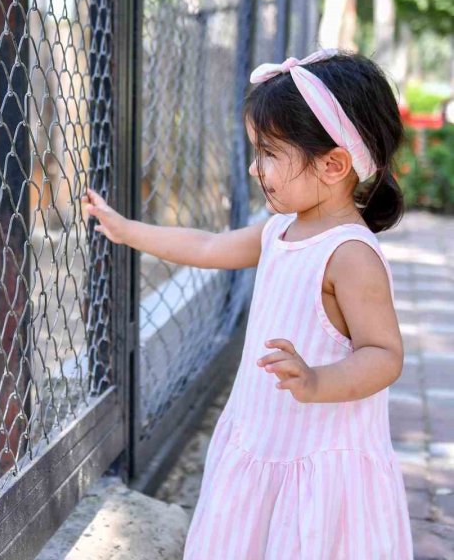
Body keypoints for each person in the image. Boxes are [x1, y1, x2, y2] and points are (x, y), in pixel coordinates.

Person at [82, 49, 412, 558]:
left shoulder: (349, 255)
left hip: (316, 462)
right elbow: (209, 247)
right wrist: (127, 231)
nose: (256, 169)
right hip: (260, 437)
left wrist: (319, 379)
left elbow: (384, 354)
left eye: (270, 153)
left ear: (333, 164)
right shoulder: (281, 228)